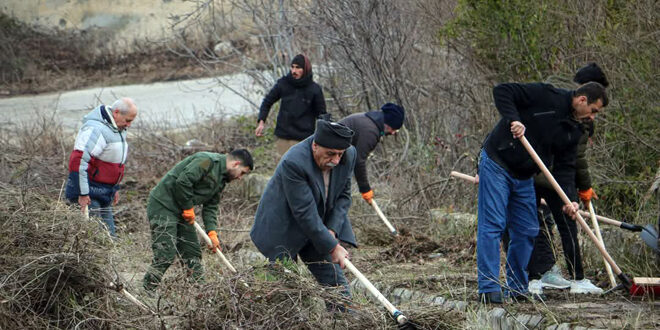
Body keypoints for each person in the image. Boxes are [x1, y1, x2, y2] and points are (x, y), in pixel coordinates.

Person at [477, 81, 608, 304]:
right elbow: (502, 91)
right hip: (498, 161)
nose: (593, 116)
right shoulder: (546, 95)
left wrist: (571, 200)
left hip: (525, 175)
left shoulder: (574, 130)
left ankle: (517, 287)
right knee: (494, 224)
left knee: (528, 229)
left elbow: (566, 169)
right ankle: (489, 288)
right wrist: (514, 119)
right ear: (582, 100)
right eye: (593, 111)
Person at [528, 63, 610, 295]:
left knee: (538, 225)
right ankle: (570, 278)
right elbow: (576, 158)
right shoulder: (577, 120)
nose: (594, 115)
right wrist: (583, 189)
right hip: (547, 178)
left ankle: (538, 277)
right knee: (563, 227)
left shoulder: (568, 108)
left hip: (542, 177)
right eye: (594, 110)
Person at [250, 119, 356, 298]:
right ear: (315, 146)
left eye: (340, 154)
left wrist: (331, 231)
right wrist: (332, 247)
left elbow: (343, 197)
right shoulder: (294, 162)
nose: (336, 161)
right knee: (286, 289)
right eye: (330, 154)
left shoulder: (349, 154)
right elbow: (304, 212)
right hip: (284, 228)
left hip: (318, 228)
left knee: (337, 286)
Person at [142, 149, 253, 291]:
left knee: (192, 253)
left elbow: (211, 207)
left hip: (183, 211)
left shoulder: (222, 179)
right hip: (164, 205)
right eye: (242, 172)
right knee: (165, 253)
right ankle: (147, 291)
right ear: (236, 164)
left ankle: (199, 293)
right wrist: (188, 207)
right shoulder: (206, 161)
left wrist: (212, 232)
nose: (240, 178)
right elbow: (183, 181)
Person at [65, 98, 138, 238]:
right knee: (98, 239)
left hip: (104, 193)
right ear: (116, 112)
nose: (129, 125)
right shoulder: (96, 129)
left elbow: (113, 162)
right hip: (89, 193)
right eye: (128, 120)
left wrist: (114, 188)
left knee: (110, 238)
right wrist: (83, 193)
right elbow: (78, 161)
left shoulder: (118, 129)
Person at [255, 54, 327, 156]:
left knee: (301, 170)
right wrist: (261, 121)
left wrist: (325, 136)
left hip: (304, 139)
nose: (294, 71)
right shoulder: (283, 83)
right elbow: (267, 101)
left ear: (305, 69)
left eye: (298, 68)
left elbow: (322, 115)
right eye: (292, 67)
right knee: (284, 169)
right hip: (283, 137)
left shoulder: (314, 89)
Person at [339, 103, 405, 205]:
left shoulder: (370, 121)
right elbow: (359, 161)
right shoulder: (371, 131)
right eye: (393, 129)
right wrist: (365, 189)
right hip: (330, 158)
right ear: (387, 124)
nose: (393, 133)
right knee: (341, 198)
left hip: (338, 159)